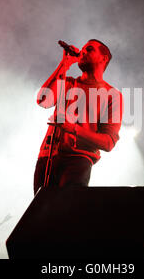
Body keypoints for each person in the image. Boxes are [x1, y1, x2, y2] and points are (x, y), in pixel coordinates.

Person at [33, 39, 123, 194]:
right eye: (82, 50)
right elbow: (43, 100)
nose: (83, 52)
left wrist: (73, 129)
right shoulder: (67, 83)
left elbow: (108, 142)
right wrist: (65, 63)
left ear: (104, 58)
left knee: (68, 211)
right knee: (41, 214)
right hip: (47, 158)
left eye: (89, 49)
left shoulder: (112, 95)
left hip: (78, 160)